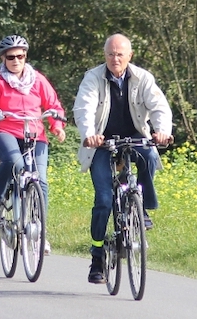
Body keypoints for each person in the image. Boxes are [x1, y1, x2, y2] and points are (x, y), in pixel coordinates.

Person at [73, 33, 173, 284]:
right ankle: (97, 257)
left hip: (134, 136)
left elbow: (159, 106)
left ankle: (144, 209)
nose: (115, 58)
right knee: (104, 201)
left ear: (129, 55)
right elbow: (83, 108)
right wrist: (89, 135)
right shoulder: (93, 78)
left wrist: (162, 132)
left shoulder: (142, 78)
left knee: (149, 156)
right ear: (104, 55)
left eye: (120, 54)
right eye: (110, 54)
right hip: (102, 143)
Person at [0, 35, 66, 256]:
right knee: (14, 161)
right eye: (11, 57)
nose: (16, 60)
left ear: (25, 56)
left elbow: (53, 104)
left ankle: (40, 233)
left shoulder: (37, 79)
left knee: (41, 180)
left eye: (20, 56)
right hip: (4, 130)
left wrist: (57, 125)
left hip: (35, 133)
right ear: (3, 58)